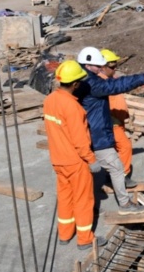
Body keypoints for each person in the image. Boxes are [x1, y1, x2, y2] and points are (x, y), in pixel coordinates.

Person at [75, 47, 144, 215]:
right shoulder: (91, 83)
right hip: (98, 133)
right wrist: (143, 78)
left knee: (88, 173)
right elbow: (116, 86)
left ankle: (88, 205)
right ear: (87, 64)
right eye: (97, 65)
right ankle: (124, 205)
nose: (100, 68)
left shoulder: (82, 79)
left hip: (90, 132)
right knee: (115, 168)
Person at [43, 60, 107, 250]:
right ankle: (85, 239)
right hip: (75, 162)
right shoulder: (73, 108)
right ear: (75, 84)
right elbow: (80, 140)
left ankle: (64, 234)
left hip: (58, 160)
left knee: (65, 197)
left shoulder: (50, 101)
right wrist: (92, 160)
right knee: (83, 200)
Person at [99, 49, 135, 187]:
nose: (115, 70)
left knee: (114, 151)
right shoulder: (101, 83)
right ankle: (123, 176)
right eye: (113, 67)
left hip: (117, 121)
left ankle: (111, 176)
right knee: (125, 146)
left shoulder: (109, 79)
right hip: (111, 122)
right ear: (103, 67)